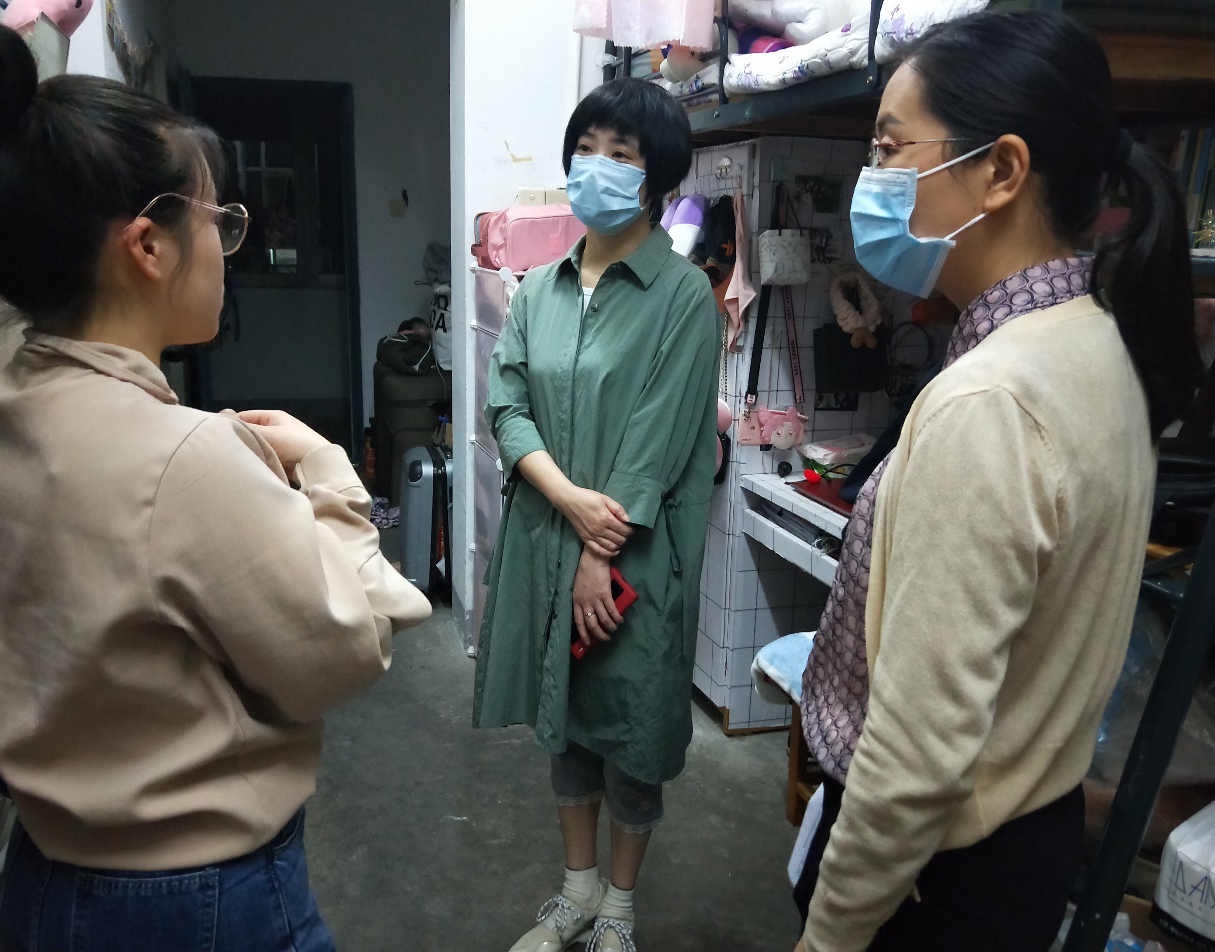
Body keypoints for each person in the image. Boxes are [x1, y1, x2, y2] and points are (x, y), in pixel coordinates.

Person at [0, 21, 431, 952]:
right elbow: (341, 650)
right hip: (194, 903)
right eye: (219, 220)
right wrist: (330, 472)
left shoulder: (5, 413)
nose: (227, 244)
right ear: (148, 246)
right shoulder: (186, 457)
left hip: (48, 884)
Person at [793, 10, 1201, 952]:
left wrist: (829, 935)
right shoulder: (1095, 344)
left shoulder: (990, 399)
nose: (873, 178)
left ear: (1001, 171)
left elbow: (916, 755)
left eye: (890, 149)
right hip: (1021, 846)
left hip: (938, 881)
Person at [474, 78, 720, 952]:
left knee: (630, 730)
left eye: (622, 154)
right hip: (550, 537)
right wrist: (568, 501)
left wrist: (597, 552)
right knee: (566, 727)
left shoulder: (682, 296)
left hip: (632, 559)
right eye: (587, 148)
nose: (597, 167)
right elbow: (505, 407)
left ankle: (617, 909)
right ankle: (575, 894)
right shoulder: (539, 289)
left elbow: (655, 442)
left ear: (657, 180)